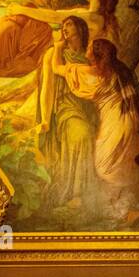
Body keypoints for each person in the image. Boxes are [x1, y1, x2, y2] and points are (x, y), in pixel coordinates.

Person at [51, 34, 139, 222]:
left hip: (115, 123)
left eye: (90, 48)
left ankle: (123, 209)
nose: (86, 49)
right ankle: (126, 208)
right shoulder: (120, 71)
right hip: (129, 122)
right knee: (124, 162)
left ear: (96, 54)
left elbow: (56, 68)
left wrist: (57, 47)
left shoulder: (92, 73)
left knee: (105, 166)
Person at [36, 15, 98, 212]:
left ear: (80, 28)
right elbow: (48, 87)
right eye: (63, 25)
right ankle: (75, 192)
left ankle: (84, 195)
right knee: (81, 134)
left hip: (88, 109)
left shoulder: (90, 56)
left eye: (69, 24)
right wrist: (45, 118)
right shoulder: (53, 55)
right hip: (65, 108)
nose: (65, 28)